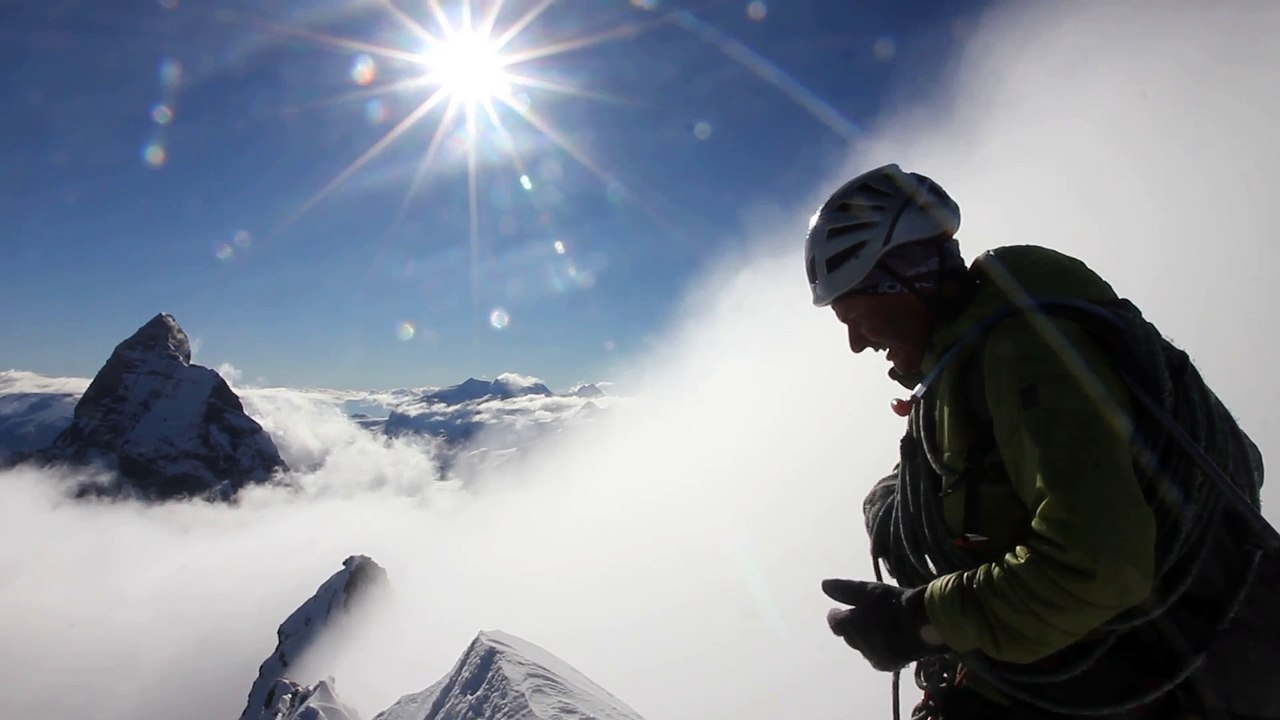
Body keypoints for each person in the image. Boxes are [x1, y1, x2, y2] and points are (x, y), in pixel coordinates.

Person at [804, 164, 1279, 720]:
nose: (857, 342)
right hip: (1144, 661)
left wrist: (918, 622)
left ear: (900, 286)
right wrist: (897, 500)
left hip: (1160, 683)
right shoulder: (980, 361)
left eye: (854, 315)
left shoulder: (1024, 358)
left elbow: (1099, 565)